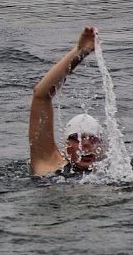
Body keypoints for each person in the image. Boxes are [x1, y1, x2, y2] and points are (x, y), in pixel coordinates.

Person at [29, 25, 105, 176]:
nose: (86, 144)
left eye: (93, 138)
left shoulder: (115, 172)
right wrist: (80, 51)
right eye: (76, 138)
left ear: (102, 146)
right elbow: (41, 95)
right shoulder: (49, 165)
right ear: (65, 144)